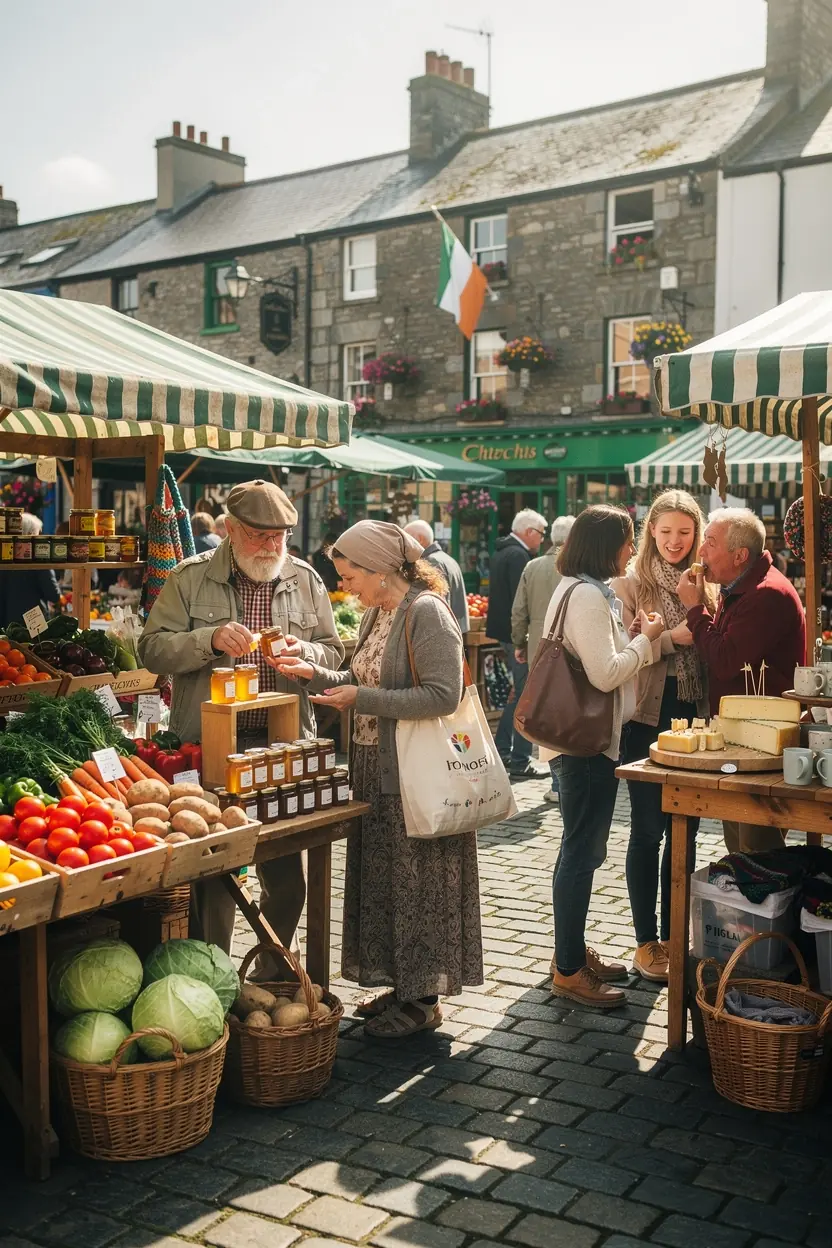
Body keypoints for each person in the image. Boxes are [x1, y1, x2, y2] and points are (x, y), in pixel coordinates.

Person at [276, 520, 483, 1039]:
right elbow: (356, 677)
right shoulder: (377, 612)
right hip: (374, 768)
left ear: (381, 569)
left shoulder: (427, 613)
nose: (345, 587)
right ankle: (400, 984)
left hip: (417, 773)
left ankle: (423, 999)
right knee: (385, 881)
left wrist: (361, 700)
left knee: (419, 883)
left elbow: (443, 695)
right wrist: (312, 672)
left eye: (349, 576)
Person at [138, 480, 344, 964]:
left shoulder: (306, 579)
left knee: (287, 874)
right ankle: (216, 972)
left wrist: (305, 653)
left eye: (280, 537)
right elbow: (149, 649)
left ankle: (273, 969)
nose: (271, 546)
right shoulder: (190, 578)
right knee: (215, 869)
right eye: (258, 536)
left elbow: (334, 650)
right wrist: (207, 640)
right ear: (230, 530)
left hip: (282, 744)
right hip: (209, 745)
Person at [544, 505, 664, 1009]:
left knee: (578, 851)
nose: (632, 550)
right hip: (586, 744)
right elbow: (606, 674)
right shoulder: (590, 595)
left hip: (577, 741)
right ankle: (568, 969)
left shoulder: (577, 588)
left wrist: (630, 634)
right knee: (580, 854)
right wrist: (646, 639)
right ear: (607, 545)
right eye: (628, 540)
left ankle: (569, 954)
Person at [613, 490, 711, 981]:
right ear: (651, 530)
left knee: (687, 832)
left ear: (697, 535)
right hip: (645, 720)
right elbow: (619, 660)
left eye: (685, 532)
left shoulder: (704, 583)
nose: (675, 541)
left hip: (693, 717)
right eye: (666, 530)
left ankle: (677, 935)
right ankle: (646, 941)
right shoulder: (631, 584)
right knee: (649, 830)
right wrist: (670, 639)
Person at [677, 507, 806, 854]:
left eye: (710, 542)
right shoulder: (739, 586)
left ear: (740, 556)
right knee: (738, 844)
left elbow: (724, 661)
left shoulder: (765, 594)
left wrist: (694, 609)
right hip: (741, 737)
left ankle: (762, 907)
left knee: (756, 851)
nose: (701, 551)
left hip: (761, 740)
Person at [511, 514, 575, 804]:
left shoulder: (532, 566)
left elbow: (518, 611)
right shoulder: (576, 568)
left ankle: (556, 782)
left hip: (538, 649)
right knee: (566, 716)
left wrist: (519, 643)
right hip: (572, 651)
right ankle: (563, 783)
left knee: (544, 715)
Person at [487, 509, 548, 777]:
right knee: (525, 695)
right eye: (541, 534)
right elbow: (519, 605)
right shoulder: (519, 556)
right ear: (529, 532)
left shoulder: (504, 550)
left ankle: (503, 750)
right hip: (516, 636)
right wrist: (522, 640)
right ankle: (518, 758)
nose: (542, 540)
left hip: (505, 633)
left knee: (519, 692)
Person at [403, 519, 469, 631]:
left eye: (406, 539)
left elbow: (432, 608)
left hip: (443, 632)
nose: (404, 545)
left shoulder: (430, 562)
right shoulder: (447, 559)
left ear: (420, 539)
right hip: (454, 628)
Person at [0, 512, 60, 626]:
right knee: (33, 644)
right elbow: (53, 594)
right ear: (30, 534)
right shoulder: (38, 559)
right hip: (32, 623)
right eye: (37, 534)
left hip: (5, 622)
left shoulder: (5, 556)